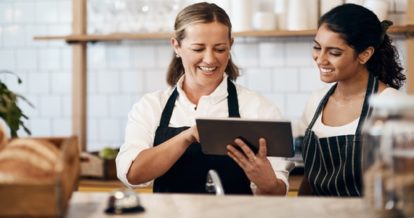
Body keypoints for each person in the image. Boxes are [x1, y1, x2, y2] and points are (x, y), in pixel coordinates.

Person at [227, 3, 406, 197]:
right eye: (317, 47)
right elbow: (310, 180)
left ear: (365, 54)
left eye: (334, 52)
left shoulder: (392, 106)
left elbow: (403, 187)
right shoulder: (317, 100)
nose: (320, 59)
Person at [116, 2, 291, 195]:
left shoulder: (259, 109)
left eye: (220, 49)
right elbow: (133, 175)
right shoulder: (151, 106)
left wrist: (267, 183)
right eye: (198, 49)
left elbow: (277, 194)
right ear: (177, 46)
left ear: (230, 45)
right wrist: (187, 136)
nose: (209, 59)